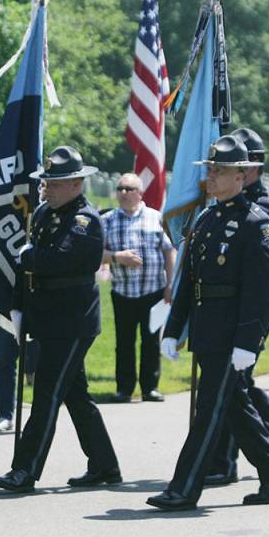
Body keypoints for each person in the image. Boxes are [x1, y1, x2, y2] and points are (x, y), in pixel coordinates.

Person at [147, 135, 269, 511]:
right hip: (207, 329)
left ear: (241, 176)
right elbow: (189, 282)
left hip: (233, 334)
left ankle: (183, 488)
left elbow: (261, 291)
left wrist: (249, 342)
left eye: (220, 171)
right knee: (234, 407)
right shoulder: (207, 218)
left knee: (209, 410)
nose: (211, 177)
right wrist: (173, 329)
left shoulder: (255, 223)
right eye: (210, 170)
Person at [0, 146, 120, 493]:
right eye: (46, 181)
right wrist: (19, 307)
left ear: (76, 184)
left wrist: (31, 256)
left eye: (55, 182)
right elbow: (28, 268)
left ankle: (25, 470)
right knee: (76, 395)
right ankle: (105, 465)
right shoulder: (47, 214)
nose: (46, 188)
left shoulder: (85, 220)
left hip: (73, 320)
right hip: (48, 316)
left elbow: (57, 260)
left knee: (46, 393)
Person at [203, 128, 269, 487]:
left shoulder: (264, 207)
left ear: (254, 167)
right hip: (226, 309)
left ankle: (229, 459)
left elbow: (260, 267)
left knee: (232, 386)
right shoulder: (232, 204)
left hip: (249, 309)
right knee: (236, 387)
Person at [101, 172, 176, 403]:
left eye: (129, 189)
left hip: (153, 290)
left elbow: (168, 251)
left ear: (140, 193)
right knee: (124, 342)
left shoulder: (155, 218)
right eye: (120, 188)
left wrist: (170, 284)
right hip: (123, 291)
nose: (123, 193)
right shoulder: (108, 220)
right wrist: (117, 257)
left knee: (151, 341)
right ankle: (124, 389)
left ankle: (149, 388)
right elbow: (94, 254)